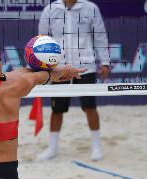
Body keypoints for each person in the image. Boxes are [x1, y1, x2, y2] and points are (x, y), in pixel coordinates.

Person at [0, 38, 86, 179]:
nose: (1, 60)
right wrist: (63, 72)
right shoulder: (10, 90)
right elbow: (39, 77)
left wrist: (52, 73)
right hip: (1, 177)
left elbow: (17, 74)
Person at [36, 0, 110, 161]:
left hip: (85, 67)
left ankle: (97, 146)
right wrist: (43, 65)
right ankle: (53, 148)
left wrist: (105, 62)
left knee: (90, 107)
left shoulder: (90, 8)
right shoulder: (50, 10)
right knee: (57, 109)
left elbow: (100, 36)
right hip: (59, 68)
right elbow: (42, 40)